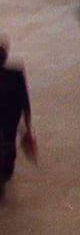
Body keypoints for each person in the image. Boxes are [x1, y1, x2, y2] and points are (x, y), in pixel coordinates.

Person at [0, 39, 34, 202]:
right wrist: (27, 124)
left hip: (8, 120)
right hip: (10, 119)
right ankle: (5, 174)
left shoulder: (15, 74)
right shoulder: (15, 74)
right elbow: (24, 100)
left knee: (8, 146)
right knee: (9, 145)